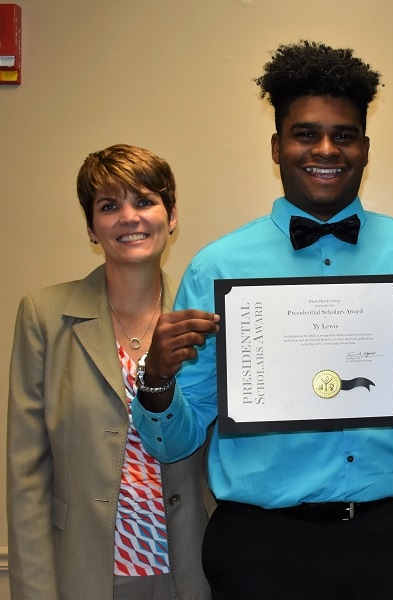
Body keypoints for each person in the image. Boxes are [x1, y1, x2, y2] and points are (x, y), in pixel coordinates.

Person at [131, 41, 393, 600]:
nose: (326, 149)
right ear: (277, 146)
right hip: (261, 549)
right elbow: (174, 442)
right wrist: (158, 379)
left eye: (344, 134)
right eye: (305, 133)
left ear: (365, 146)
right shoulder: (216, 268)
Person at [7, 144, 213, 599]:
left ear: (172, 216)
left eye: (144, 201)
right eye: (108, 206)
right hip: (84, 574)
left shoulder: (206, 321)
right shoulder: (44, 315)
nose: (128, 217)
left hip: (193, 573)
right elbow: (26, 474)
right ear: (91, 227)